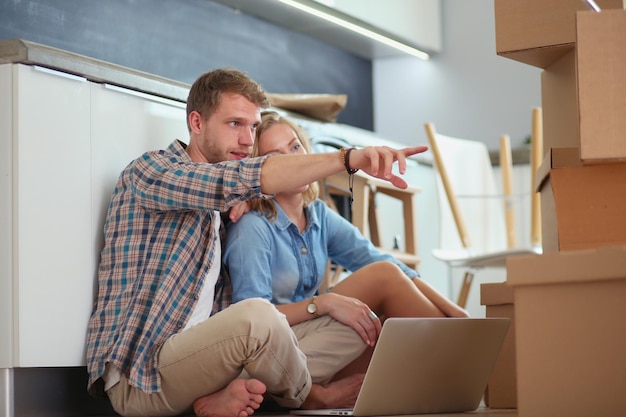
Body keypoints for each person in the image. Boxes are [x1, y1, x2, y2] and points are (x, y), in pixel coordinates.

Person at [85, 67, 427, 417]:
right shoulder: (152, 172)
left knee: (359, 322)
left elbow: (232, 185)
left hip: (211, 363)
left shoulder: (226, 210)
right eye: (235, 124)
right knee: (257, 316)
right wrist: (347, 159)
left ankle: (227, 397)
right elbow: (229, 181)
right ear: (197, 123)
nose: (248, 140)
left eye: (252, 126)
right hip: (144, 375)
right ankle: (312, 397)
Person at [223, 111, 469, 360]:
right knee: (383, 277)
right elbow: (252, 321)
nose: (293, 161)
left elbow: (375, 259)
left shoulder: (317, 214)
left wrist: (454, 311)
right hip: (274, 350)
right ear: (260, 172)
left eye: (295, 147)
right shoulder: (252, 227)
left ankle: (460, 350)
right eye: (276, 157)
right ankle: (464, 355)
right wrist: (322, 303)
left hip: (314, 337)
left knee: (388, 320)